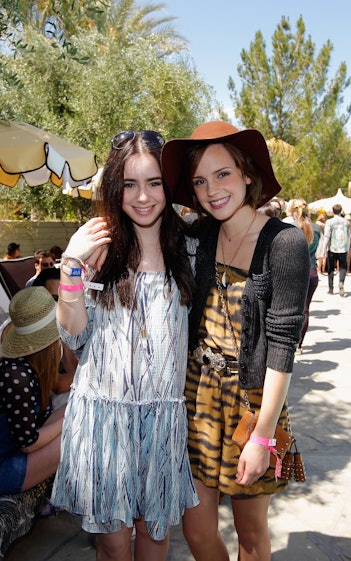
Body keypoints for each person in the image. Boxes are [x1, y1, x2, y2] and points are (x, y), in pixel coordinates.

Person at [161, 121, 310, 561]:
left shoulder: (284, 243)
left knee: (250, 534)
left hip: (254, 403)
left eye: (222, 174)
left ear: (247, 173)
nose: (211, 190)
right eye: (200, 181)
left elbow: (283, 344)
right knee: (197, 530)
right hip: (197, 394)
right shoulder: (199, 234)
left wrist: (263, 436)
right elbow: (142, 221)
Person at [51, 129, 199, 561]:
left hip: (162, 420)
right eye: (130, 184)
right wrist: (70, 266)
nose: (143, 197)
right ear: (115, 188)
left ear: (168, 186)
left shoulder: (190, 250)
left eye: (154, 182)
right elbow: (74, 335)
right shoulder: (96, 249)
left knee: (154, 541)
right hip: (103, 420)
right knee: (114, 547)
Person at [0, 287, 65, 495]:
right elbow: (28, 443)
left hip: (15, 452)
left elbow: (40, 422)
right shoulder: (15, 376)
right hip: (6, 465)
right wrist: (69, 419)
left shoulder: (29, 365)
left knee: (81, 408)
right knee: (80, 430)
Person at [33, 267, 78, 404]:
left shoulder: (62, 322)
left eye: (65, 298)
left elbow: (71, 366)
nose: (60, 304)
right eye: (54, 298)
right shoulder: (34, 331)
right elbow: (58, 385)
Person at [283, 199, 320, 355]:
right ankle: (299, 344)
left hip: (295, 272)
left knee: (288, 311)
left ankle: (289, 343)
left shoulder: (289, 227)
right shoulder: (317, 228)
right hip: (312, 272)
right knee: (305, 310)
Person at [322, 204, 350, 296]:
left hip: (332, 248)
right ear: (341, 211)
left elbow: (327, 236)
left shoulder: (329, 222)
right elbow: (349, 237)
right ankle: (341, 282)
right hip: (343, 248)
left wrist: (323, 249)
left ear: (333, 211)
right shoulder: (346, 222)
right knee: (342, 267)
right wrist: (348, 248)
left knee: (330, 268)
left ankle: (331, 289)